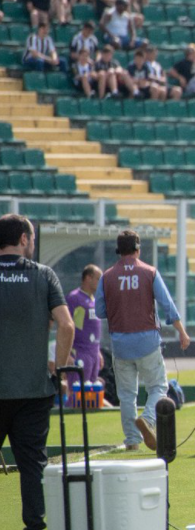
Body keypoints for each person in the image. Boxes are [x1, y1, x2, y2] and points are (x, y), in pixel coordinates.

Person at [0, 215, 73, 530]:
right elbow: (67, 324)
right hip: (34, 390)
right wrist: (58, 368)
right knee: (33, 467)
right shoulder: (44, 275)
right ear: (24, 239)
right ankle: (34, 525)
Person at [96, 230, 191, 451]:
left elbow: (100, 311)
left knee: (127, 395)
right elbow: (167, 305)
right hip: (147, 341)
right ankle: (148, 419)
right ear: (138, 249)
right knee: (158, 386)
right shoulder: (149, 272)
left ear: (119, 250)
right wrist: (182, 332)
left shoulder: (106, 276)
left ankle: (131, 441)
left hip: (120, 343)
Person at [64, 264, 103, 391]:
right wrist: (68, 353)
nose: (100, 283)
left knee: (92, 394)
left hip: (93, 353)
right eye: (98, 279)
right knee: (77, 393)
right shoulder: (74, 298)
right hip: (80, 353)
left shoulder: (94, 300)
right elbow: (65, 325)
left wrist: (98, 352)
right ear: (88, 278)